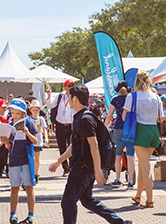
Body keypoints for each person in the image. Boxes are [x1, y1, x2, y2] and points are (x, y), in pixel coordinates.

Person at [50, 85, 132, 224]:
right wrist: (59, 161)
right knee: (87, 201)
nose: (68, 100)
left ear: (75, 99)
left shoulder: (85, 119)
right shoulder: (80, 117)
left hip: (83, 168)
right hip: (84, 167)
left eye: (69, 97)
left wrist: (97, 170)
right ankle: (119, 222)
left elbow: (93, 144)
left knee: (68, 202)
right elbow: (74, 145)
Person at [123, 70, 164, 208]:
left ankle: (150, 200)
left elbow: (124, 116)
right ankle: (138, 195)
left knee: (145, 167)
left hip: (140, 130)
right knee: (142, 165)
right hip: (153, 131)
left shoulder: (132, 96)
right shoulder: (156, 97)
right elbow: (160, 117)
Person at [4, 98, 37, 224]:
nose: (14, 116)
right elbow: (9, 146)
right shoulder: (11, 125)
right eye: (12, 113)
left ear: (23, 113)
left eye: (17, 113)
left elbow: (35, 141)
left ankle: (31, 215)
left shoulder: (28, 123)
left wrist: (28, 133)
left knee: (29, 187)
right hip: (14, 159)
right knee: (14, 187)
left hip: (27, 159)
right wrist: (6, 142)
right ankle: (13, 214)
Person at [105, 81, 135, 189]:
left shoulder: (115, 100)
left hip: (118, 127)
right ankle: (131, 181)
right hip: (130, 127)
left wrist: (104, 126)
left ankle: (118, 179)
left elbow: (109, 116)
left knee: (118, 153)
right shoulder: (131, 99)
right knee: (130, 154)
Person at [50, 80, 75, 176]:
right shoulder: (60, 96)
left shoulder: (75, 97)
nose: (70, 88)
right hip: (60, 124)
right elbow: (50, 105)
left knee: (72, 147)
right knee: (62, 147)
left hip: (71, 125)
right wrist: (48, 97)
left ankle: (72, 167)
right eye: (69, 86)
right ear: (65, 87)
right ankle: (65, 168)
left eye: (72, 86)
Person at [28, 99, 47, 182]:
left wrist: (46, 138)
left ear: (39, 110)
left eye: (36, 110)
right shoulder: (28, 119)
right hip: (30, 141)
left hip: (38, 141)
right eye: (33, 110)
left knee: (37, 159)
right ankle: (30, 173)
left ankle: (35, 173)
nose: (35, 111)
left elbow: (44, 129)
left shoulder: (41, 119)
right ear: (31, 110)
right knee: (30, 158)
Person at [0, 99, 10, 179]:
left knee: (7, 156)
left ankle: (8, 171)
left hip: (6, 139)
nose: (4, 109)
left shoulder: (8, 115)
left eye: (5, 107)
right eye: (2, 107)